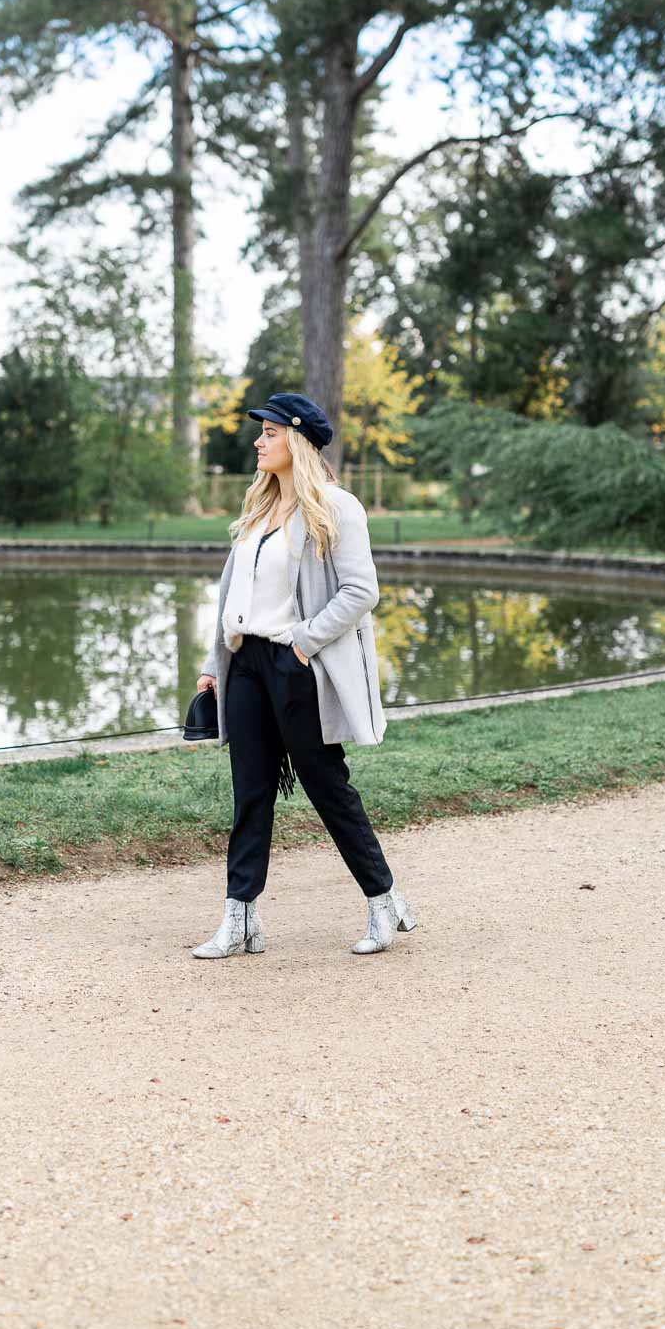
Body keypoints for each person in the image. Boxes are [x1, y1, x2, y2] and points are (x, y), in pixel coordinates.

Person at [191, 391, 417, 959]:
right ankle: (240, 920)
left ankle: (383, 900)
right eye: (260, 433)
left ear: (296, 438)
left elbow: (362, 592)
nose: (258, 442)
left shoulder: (338, 508)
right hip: (245, 665)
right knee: (250, 793)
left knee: (326, 787)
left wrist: (304, 640)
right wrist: (214, 664)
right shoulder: (257, 509)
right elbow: (232, 595)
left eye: (268, 433)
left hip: (297, 667)